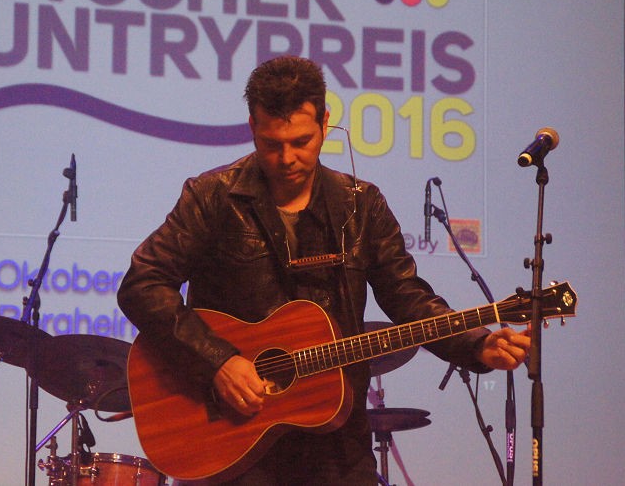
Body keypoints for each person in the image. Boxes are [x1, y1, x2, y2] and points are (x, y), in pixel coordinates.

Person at [117, 55, 530, 485]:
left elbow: (407, 297)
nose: (287, 158)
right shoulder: (212, 196)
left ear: (325, 121)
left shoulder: (360, 205)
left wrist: (475, 343)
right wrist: (219, 361)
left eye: (302, 141)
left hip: (336, 442)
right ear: (252, 126)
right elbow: (143, 284)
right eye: (271, 144)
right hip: (233, 438)